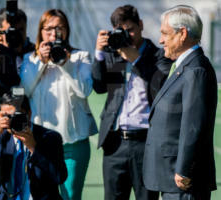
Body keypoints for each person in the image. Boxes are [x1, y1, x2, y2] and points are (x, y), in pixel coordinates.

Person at [92, 5, 171, 200]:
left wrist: (136, 59)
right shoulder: (114, 53)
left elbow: (161, 86)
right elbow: (100, 87)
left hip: (146, 143)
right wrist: (99, 53)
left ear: (141, 25)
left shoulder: (159, 55)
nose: (128, 35)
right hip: (115, 143)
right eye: (122, 31)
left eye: (131, 29)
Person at [20, 9, 98, 200]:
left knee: (70, 196)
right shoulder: (29, 60)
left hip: (73, 144)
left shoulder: (80, 57)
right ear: (40, 31)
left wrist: (65, 63)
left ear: (67, 31)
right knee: (40, 195)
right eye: (48, 29)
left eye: (59, 28)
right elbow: (24, 91)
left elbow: (84, 90)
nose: (54, 34)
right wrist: (41, 62)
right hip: (39, 144)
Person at [143, 5, 217, 200]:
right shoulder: (184, 65)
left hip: (183, 182)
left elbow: (193, 124)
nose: (160, 40)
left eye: (165, 34)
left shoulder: (195, 70)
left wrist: (184, 170)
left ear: (182, 33)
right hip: (172, 177)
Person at [0, 92, 67, 200]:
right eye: (6, 116)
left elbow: (59, 177)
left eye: (16, 115)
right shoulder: (0, 138)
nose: (11, 120)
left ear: (29, 113)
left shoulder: (50, 138)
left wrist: (34, 149)